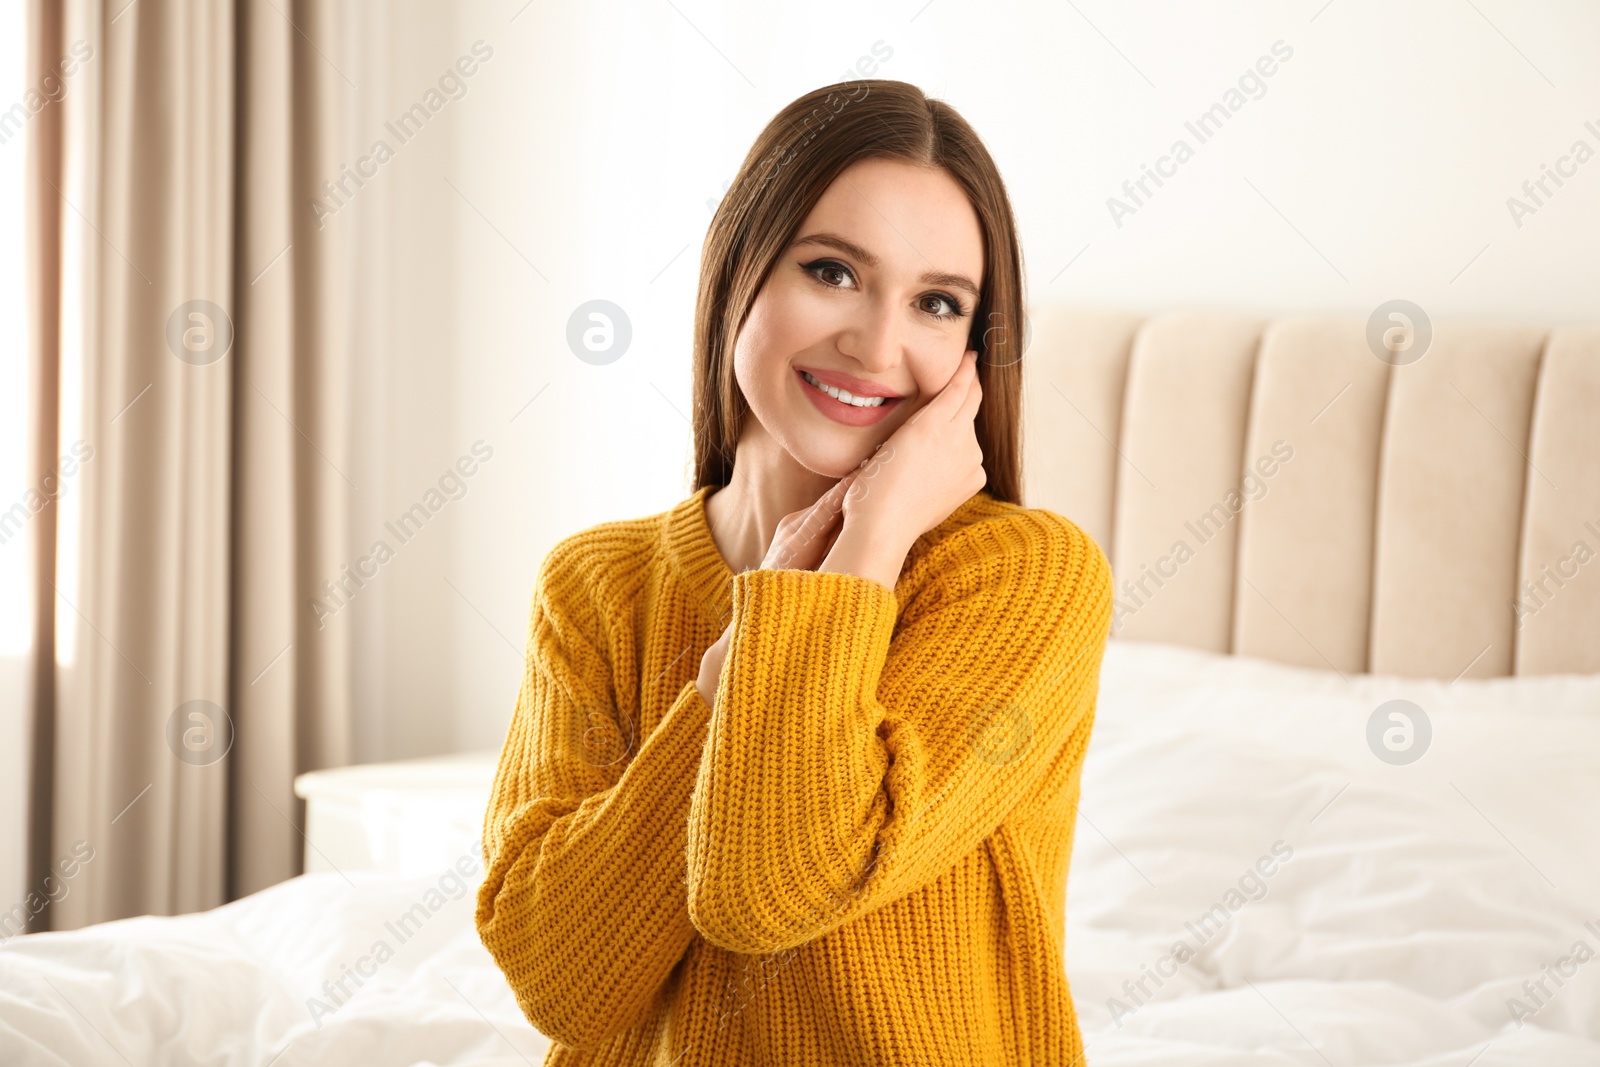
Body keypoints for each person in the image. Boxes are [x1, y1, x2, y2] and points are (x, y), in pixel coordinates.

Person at [475, 78, 1113, 1065]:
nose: (876, 343)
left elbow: (767, 884)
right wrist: (731, 673)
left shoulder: (1021, 577)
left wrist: (867, 541)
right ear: (740, 271)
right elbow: (558, 978)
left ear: (974, 351)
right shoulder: (598, 583)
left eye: (937, 302)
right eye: (832, 271)